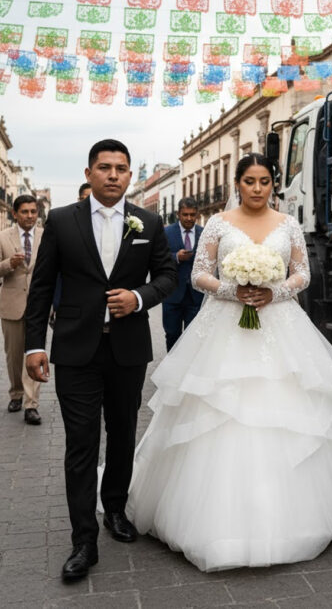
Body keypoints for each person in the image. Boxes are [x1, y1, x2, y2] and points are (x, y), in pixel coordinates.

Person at [126, 152, 332, 572]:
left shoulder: (287, 225)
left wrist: (277, 291)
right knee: (219, 407)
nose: (256, 188)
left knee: (293, 404)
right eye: (249, 180)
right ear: (237, 183)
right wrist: (233, 290)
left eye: (264, 181)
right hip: (225, 323)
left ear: (273, 184)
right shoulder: (218, 223)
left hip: (279, 321)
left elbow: (302, 274)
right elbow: (200, 273)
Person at [24, 139, 176, 582]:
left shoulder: (148, 221)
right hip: (75, 350)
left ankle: (114, 510)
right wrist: (35, 345)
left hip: (127, 350)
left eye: (122, 168)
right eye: (105, 167)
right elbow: (42, 285)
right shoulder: (60, 221)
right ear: (89, 173)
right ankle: (83, 540)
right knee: (81, 443)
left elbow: (166, 276)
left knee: (124, 434)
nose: (113, 175)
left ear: (130, 176)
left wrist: (139, 297)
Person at [0, 195, 43, 425]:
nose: (29, 216)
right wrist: (9, 264)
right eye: (25, 212)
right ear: (15, 214)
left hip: (38, 306)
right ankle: (16, 393)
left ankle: (31, 404)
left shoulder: (46, 237)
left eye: (33, 212)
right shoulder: (3, 237)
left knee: (35, 353)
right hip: (11, 304)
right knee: (13, 356)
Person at [161, 197, 204, 351]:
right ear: (178, 214)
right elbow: (159, 259)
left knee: (193, 336)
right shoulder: (166, 232)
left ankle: (187, 370)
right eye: (185, 214)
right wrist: (176, 257)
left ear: (197, 214)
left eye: (192, 215)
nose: (189, 218)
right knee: (172, 334)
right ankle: (171, 369)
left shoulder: (204, 233)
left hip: (196, 295)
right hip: (172, 294)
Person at [50, 182, 93, 328]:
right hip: (68, 308)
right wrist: (55, 305)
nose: (87, 202)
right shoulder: (64, 224)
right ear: (78, 199)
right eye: (84, 198)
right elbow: (54, 272)